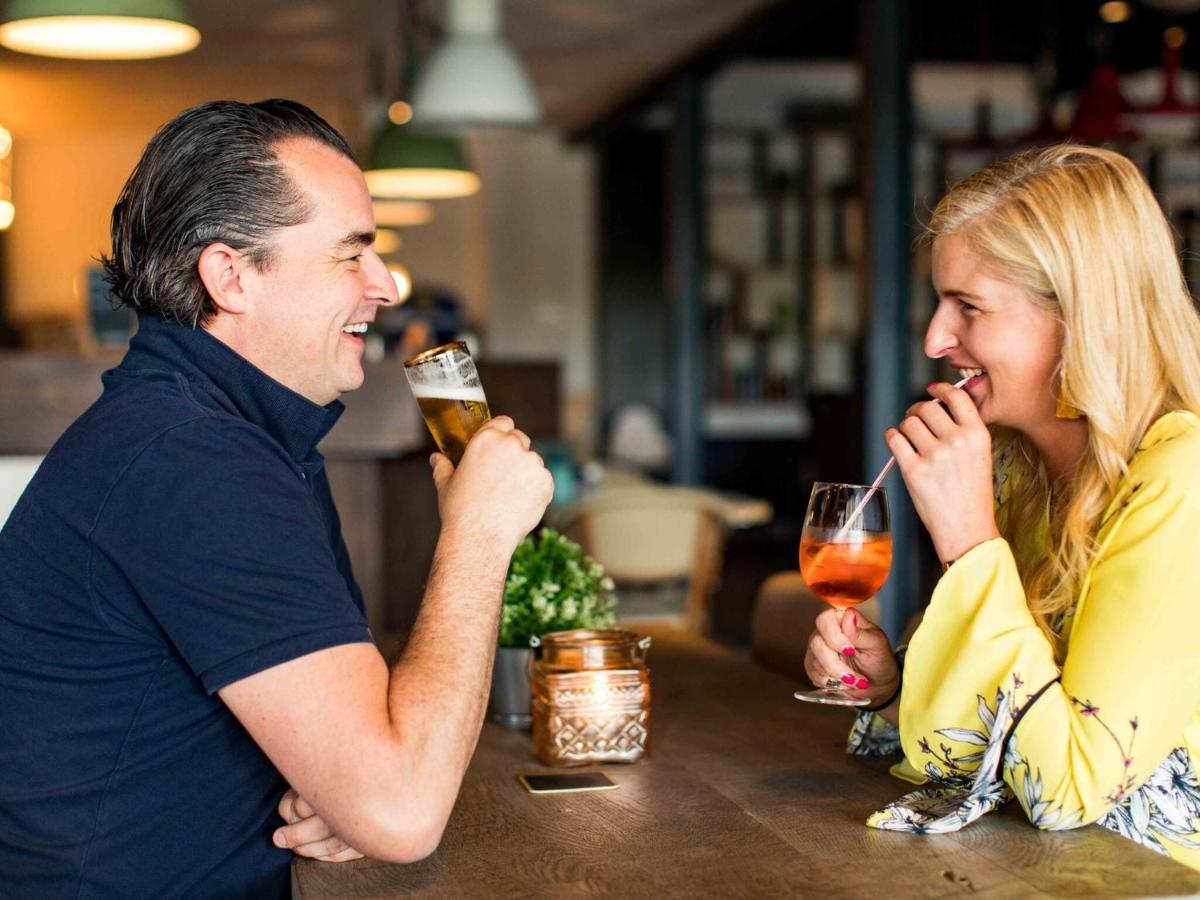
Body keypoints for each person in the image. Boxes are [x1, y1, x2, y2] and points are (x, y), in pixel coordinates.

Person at [0, 99, 554, 897]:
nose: (386, 285)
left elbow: (357, 758)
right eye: (350, 255)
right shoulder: (196, 462)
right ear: (230, 277)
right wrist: (478, 535)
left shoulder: (228, 433)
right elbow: (402, 811)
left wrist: (338, 783)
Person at [804, 144, 1200, 867]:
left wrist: (967, 544)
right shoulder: (1017, 471)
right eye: (939, 302)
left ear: (1079, 316)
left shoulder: (1183, 479)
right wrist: (891, 692)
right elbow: (993, 750)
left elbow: (1067, 792)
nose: (934, 338)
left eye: (969, 307)